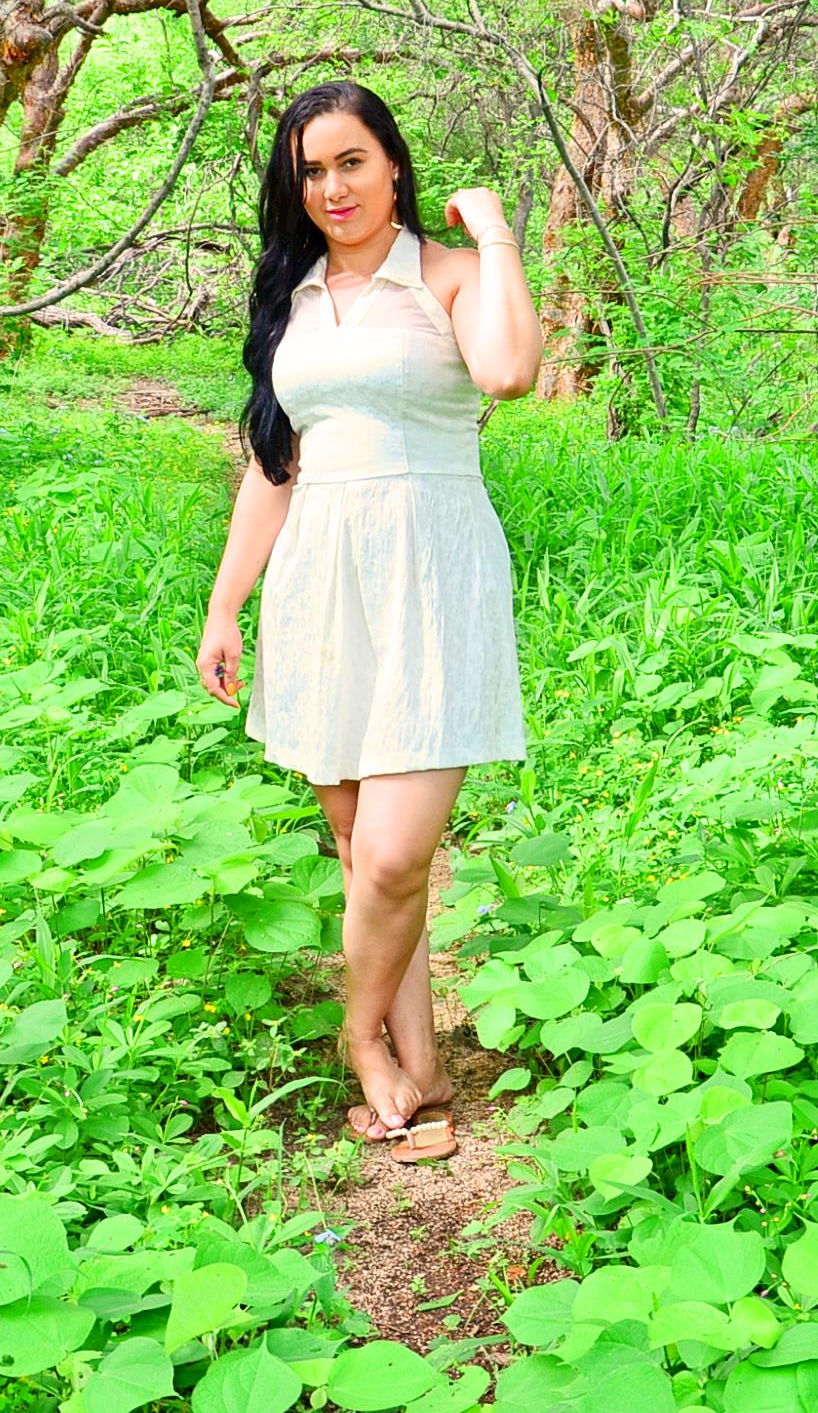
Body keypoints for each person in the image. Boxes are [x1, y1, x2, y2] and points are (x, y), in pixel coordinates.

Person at [196, 81, 541, 1165]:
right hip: (321, 580)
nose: (331, 187)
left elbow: (509, 372)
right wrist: (225, 605)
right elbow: (275, 463)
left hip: (432, 575)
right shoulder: (291, 299)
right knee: (355, 844)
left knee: (394, 856)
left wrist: (493, 231)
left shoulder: (450, 277)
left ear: (393, 164)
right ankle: (419, 1062)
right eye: (310, 170)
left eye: (351, 161)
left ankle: (359, 1040)